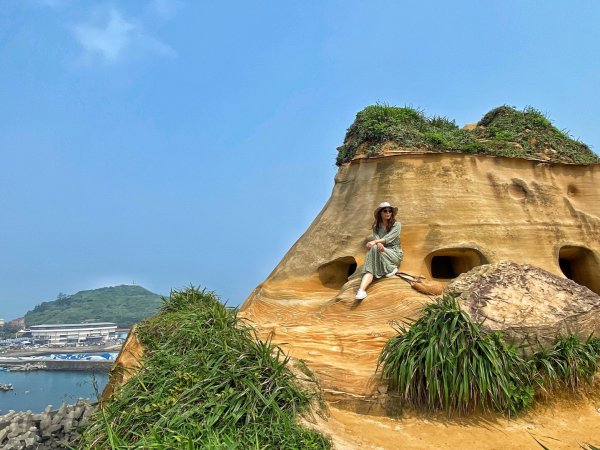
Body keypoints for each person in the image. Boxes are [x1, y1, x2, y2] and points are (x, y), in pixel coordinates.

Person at [355, 201, 403, 300]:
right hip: (380, 251)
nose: (388, 213)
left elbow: (389, 238)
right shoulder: (375, 227)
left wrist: (375, 242)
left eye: (390, 211)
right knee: (371, 265)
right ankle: (361, 290)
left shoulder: (396, 225)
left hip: (394, 253)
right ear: (380, 213)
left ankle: (390, 267)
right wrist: (377, 243)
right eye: (385, 211)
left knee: (373, 247)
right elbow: (378, 242)